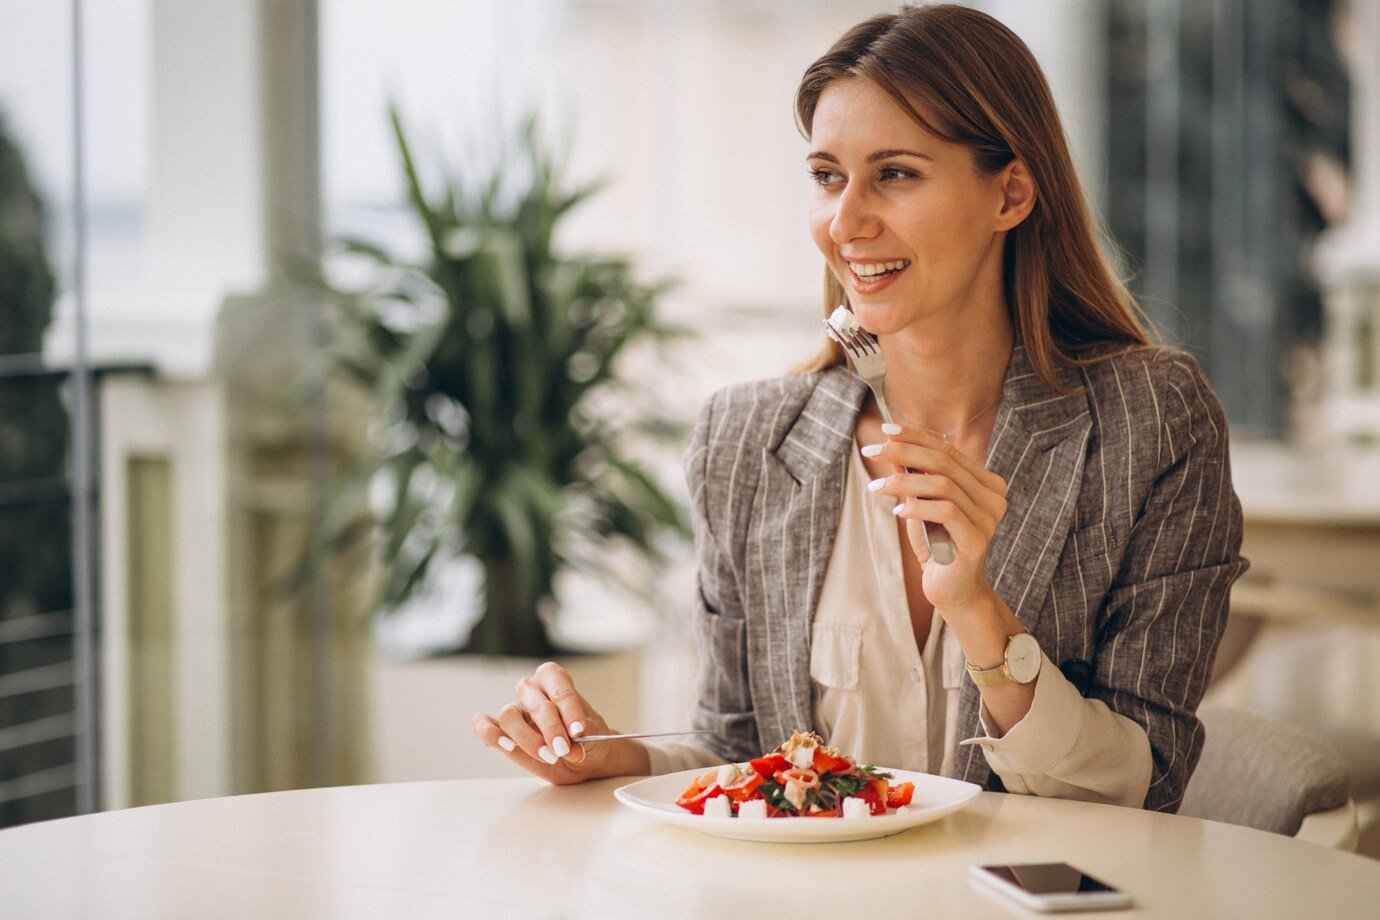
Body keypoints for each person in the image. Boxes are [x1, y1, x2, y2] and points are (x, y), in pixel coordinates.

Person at [471, 3, 1247, 812]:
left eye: (896, 174)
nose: (845, 223)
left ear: (1011, 193)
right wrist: (617, 757)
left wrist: (977, 611)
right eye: (827, 176)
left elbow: (1142, 787)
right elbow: (740, 748)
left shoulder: (1151, 422)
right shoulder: (745, 439)